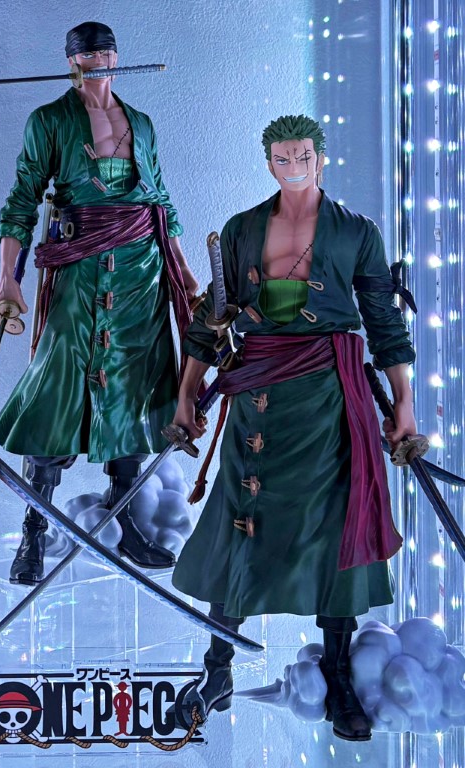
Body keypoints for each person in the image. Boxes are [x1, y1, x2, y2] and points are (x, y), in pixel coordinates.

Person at [171, 114, 416, 742]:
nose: (295, 165)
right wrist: (187, 393)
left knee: (337, 527)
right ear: (269, 164)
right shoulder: (242, 229)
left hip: (331, 398)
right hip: (257, 394)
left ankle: (338, 673)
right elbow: (211, 320)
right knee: (238, 525)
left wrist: (405, 406)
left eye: (304, 154)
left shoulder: (355, 232)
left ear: (321, 156)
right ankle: (217, 669)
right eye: (283, 157)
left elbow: (384, 323)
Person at [0, 21, 199, 585]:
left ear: (116, 57)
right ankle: (33, 531)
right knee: (55, 389)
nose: (98, 60)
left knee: (134, 392)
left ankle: (127, 522)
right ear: (72, 62)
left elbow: (160, 200)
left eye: (106, 52)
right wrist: (7, 279)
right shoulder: (49, 120)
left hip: (140, 271)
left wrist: (182, 271)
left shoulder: (142, 123)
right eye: (87, 54)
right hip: (79, 267)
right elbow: (22, 200)